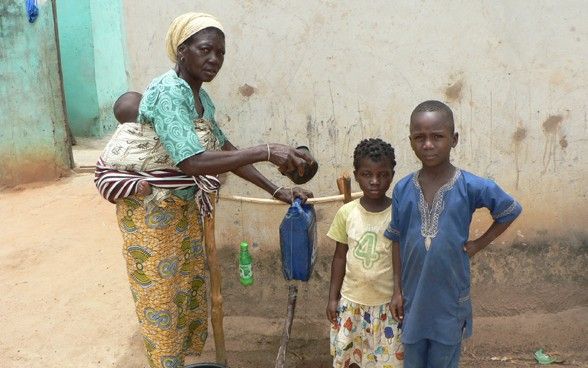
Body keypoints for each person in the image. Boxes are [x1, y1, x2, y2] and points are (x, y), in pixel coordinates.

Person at [112, 13, 314, 368]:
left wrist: (276, 189)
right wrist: (267, 150)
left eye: (221, 53)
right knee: (160, 298)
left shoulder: (201, 98)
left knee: (186, 292)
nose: (214, 60)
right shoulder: (167, 92)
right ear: (182, 51)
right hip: (151, 214)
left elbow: (226, 153)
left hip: (182, 211)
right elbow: (191, 161)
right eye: (206, 50)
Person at [385, 100, 522, 368]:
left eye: (437, 137)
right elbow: (398, 240)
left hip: (449, 298)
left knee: (444, 358)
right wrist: (396, 291)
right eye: (419, 138)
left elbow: (510, 209)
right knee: (412, 358)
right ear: (411, 141)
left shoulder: (469, 185)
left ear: (454, 139)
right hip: (413, 299)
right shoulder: (403, 188)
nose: (428, 144)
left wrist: (477, 245)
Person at [327, 138, 404, 368]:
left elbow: (401, 257)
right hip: (351, 303)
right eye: (367, 174)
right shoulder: (346, 213)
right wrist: (333, 298)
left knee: (387, 361)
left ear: (392, 175)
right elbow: (340, 257)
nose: (375, 181)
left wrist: (399, 293)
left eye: (383, 175)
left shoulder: (397, 213)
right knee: (350, 358)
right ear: (357, 175)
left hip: (386, 306)